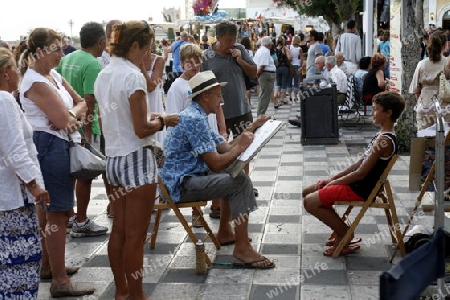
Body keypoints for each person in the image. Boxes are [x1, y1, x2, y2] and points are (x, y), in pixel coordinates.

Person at [94, 21, 180, 300]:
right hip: (137, 160)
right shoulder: (133, 77)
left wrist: (152, 120)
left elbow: (113, 118)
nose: (148, 54)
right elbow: (141, 129)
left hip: (113, 160)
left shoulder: (104, 74)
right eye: (146, 48)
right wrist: (164, 120)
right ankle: (137, 296)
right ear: (134, 45)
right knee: (135, 236)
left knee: (118, 231)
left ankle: (122, 291)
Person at [160, 70, 275, 269]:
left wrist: (253, 128)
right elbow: (216, 162)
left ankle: (225, 232)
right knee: (239, 182)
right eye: (218, 95)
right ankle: (242, 248)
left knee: (233, 173)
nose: (222, 100)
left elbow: (224, 147)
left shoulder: (197, 115)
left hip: (189, 176)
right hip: (180, 185)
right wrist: (241, 146)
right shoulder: (194, 119)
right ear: (205, 96)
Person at [19, 27, 94, 297]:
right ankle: (60, 282)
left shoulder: (52, 76)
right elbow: (65, 122)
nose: (62, 54)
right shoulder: (36, 81)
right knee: (58, 212)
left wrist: (70, 113)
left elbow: (80, 104)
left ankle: (48, 267)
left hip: (56, 144)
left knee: (52, 211)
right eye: (56, 49)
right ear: (39, 52)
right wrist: (68, 116)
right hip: (50, 146)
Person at [302, 91, 405, 257]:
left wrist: (335, 183)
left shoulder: (384, 140)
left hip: (360, 188)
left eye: (376, 109)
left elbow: (361, 173)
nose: (372, 113)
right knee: (308, 191)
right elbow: (358, 163)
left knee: (310, 201)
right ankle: (341, 228)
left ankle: (344, 233)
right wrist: (334, 178)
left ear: (388, 113)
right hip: (356, 183)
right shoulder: (380, 135)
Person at [0, 47, 49, 299]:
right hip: (11, 199)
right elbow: (15, 149)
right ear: (6, 73)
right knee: (19, 263)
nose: (19, 74)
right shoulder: (5, 100)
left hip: (7, 196)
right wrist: (34, 185)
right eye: (16, 70)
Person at [56, 22, 109, 238]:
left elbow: (58, 87)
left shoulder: (68, 58)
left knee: (71, 173)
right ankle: (81, 221)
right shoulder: (93, 63)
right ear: (100, 41)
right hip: (86, 126)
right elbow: (89, 99)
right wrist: (88, 132)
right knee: (85, 173)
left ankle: (70, 215)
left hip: (67, 123)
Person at [165, 43, 226, 223]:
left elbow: (219, 107)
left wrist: (222, 130)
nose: (194, 66)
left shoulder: (204, 80)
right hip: (191, 138)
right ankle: (197, 214)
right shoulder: (178, 86)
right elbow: (173, 116)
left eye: (197, 61)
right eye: (189, 62)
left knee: (217, 165)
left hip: (209, 130)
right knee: (196, 168)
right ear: (182, 63)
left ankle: (216, 206)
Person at [201, 21, 259, 197]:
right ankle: (223, 187)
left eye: (234, 39)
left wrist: (240, 60)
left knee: (246, 147)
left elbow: (254, 72)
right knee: (221, 150)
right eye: (227, 40)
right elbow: (202, 85)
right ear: (218, 38)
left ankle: (245, 183)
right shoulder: (207, 56)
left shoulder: (240, 49)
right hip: (219, 113)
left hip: (242, 108)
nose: (231, 43)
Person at [409, 30, 450, 130]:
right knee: (445, 140)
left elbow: (415, 89)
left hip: (424, 106)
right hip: (444, 106)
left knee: (423, 140)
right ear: (445, 45)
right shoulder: (447, 63)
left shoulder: (421, 64)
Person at [254, 36, 276, 115]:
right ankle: (261, 114)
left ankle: (261, 113)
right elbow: (262, 65)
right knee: (265, 95)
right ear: (269, 44)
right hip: (266, 74)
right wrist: (258, 74)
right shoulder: (265, 51)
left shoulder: (259, 50)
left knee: (263, 94)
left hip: (264, 74)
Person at [274, 36, 292, 105]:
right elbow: (289, 58)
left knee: (278, 83)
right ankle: (282, 98)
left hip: (277, 68)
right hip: (284, 68)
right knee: (284, 83)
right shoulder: (284, 48)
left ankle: (275, 95)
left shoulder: (275, 49)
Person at [287, 35, 302, 101]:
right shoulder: (299, 49)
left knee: (289, 81)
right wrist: (301, 67)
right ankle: (295, 96)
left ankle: (290, 95)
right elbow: (301, 59)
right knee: (296, 81)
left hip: (290, 65)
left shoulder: (289, 47)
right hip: (297, 65)